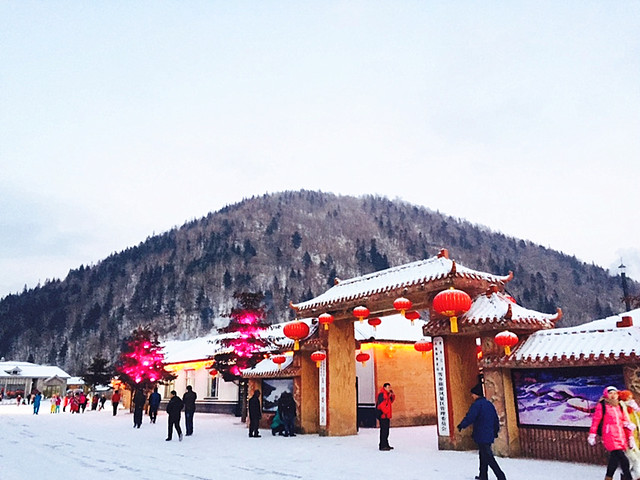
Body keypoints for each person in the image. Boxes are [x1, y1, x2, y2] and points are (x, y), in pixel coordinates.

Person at [457, 383, 506, 480]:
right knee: (483, 455)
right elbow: (495, 419)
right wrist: (495, 431)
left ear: (476, 394)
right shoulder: (489, 404)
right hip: (488, 434)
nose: (472, 396)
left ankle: (501, 476)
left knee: (488, 457)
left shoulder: (476, 405)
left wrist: (462, 425)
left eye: (473, 394)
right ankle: (483, 475)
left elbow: (470, 417)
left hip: (481, 434)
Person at [588, 386, 635, 480]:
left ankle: (608, 477)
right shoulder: (602, 405)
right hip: (609, 435)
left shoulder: (620, 405)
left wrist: (630, 437)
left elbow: (626, 422)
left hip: (621, 435)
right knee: (624, 460)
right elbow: (596, 420)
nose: (613, 395)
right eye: (610, 393)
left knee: (614, 459)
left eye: (615, 393)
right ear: (606, 394)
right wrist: (592, 434)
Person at [376, 382, 395, 451]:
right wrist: (386, 412)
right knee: (383, 431)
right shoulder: (382, 395)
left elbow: (390, 401)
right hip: (383, 415)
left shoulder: (387, 394)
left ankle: (386, 444)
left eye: (390, 387)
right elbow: (382, 405)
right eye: (388, 387)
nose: (389, 389)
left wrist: (392, 395)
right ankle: (382, 445)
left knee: (386, 431)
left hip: (387, 416)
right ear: (384, 387)